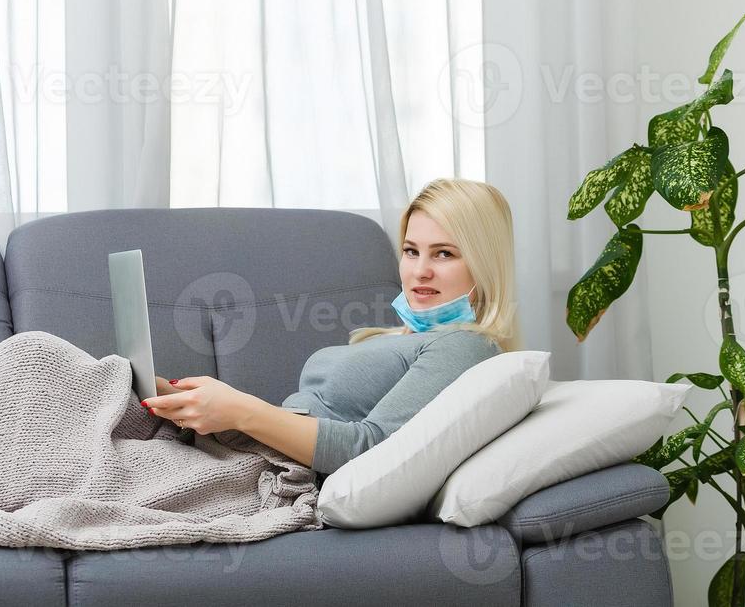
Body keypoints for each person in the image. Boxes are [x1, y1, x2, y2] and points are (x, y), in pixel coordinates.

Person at [141, 177, 518, 474]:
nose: (420, 271)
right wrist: (188, 400)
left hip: (269, 468)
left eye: (444, 253)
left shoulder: (466, 346)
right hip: (248, 452)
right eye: (410, 250)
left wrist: (240, 410)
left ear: (484, 263)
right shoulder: (392, 339)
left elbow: (372, 449)